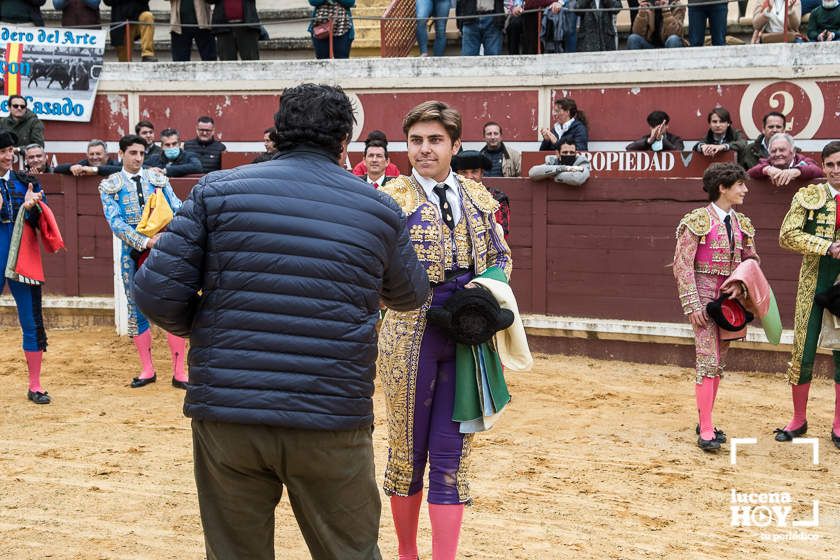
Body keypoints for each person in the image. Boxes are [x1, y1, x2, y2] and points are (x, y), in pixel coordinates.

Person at [133, 83, 428, 560]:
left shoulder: (216, 190)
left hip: (229, 410)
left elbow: (153, 291)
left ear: (279, 132)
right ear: (344, 140)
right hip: (329, 412)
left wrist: (207, 330)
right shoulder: (378, 208)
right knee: (349, 552)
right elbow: (410, 294)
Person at [379, 100, 511, 560]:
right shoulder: (390, 199)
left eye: (435, 140)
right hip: (407, 336)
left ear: (456, 145)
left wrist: (479, 291)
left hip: (467, 335)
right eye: (416, 140)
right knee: (407, 454)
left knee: (451, 456)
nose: (424, 149)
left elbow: (502, 259)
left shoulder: (478, 197)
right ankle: (407, 554)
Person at [673, 163, 756, 451]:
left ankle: (705, 418)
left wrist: (742, 286)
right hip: (705, 298)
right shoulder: (697, 221)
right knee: (707, 361)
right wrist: (692, 303)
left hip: (731, 300)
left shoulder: (743, 223)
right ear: (723, 188)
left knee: (718, 363)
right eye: (740, 184)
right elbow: (683, 266)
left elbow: (751, 261)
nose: (745, 189)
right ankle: (706, 429)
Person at [98, 135, 188, 389]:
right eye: (133, 153)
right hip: (132, 253)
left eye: (141, 153)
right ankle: (147, 369)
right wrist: (145, 242)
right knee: (136, 307)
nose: (138, 158)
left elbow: (178, 208)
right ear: (122, 154)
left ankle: (179, 371)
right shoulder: (110, 185)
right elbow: (115, 223)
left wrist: (171, 235)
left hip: (165, 250)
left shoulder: (157, 178)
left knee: (173, 306)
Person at [775, 141, 840, 448]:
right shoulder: (809, 195)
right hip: (814, 280)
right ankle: (798, 419)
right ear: (822, 166)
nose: (836, 171)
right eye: (830, 165)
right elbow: (787, 235)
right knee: (803, 350)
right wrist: (825, 246)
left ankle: (839, 424)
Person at [0, 130, 50, 404]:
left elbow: (44, 216)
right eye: (3, 151)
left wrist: (33, 206)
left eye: (10, 151)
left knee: (30, 320)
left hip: (21, 255)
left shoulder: (24, 183)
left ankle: (35, 384)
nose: (8, 156)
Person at [452, 149, 511, 239]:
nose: (469, 177)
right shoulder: (451, 196)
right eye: (464, 172)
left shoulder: (497, 198)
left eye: (474, 171)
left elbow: (501, 236)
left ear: (482, 173)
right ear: (457, 174)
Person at [747, 133, 822, 187]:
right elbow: (749, 174)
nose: (777, 154)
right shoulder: (766, 162)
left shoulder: (801, 160)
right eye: (773, 151)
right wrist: (767, 169)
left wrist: (797, 171)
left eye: (782, 150)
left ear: (793, 152)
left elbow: (817, 171)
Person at [54, 139, 121, 177]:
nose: (94, 157)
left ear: (106, 155)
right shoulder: (84, 164)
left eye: (98, 154)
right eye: (91, 154)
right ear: (87, 155)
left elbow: (120, 170)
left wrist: (94, 169)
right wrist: (71, 167)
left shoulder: (115, 164)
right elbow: (57, 169)